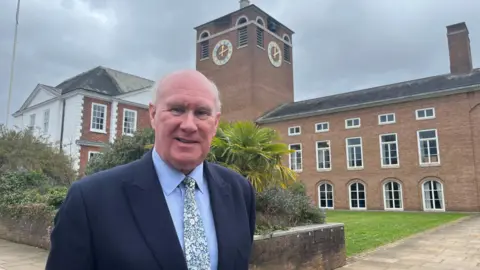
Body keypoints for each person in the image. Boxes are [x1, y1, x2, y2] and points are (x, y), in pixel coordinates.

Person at [45, 69, 257, 270]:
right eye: (177, 109)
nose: (189, 125)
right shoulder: (90, 200)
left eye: (201, 113)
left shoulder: (240, 192)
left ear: (215, 123)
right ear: (153, 115)